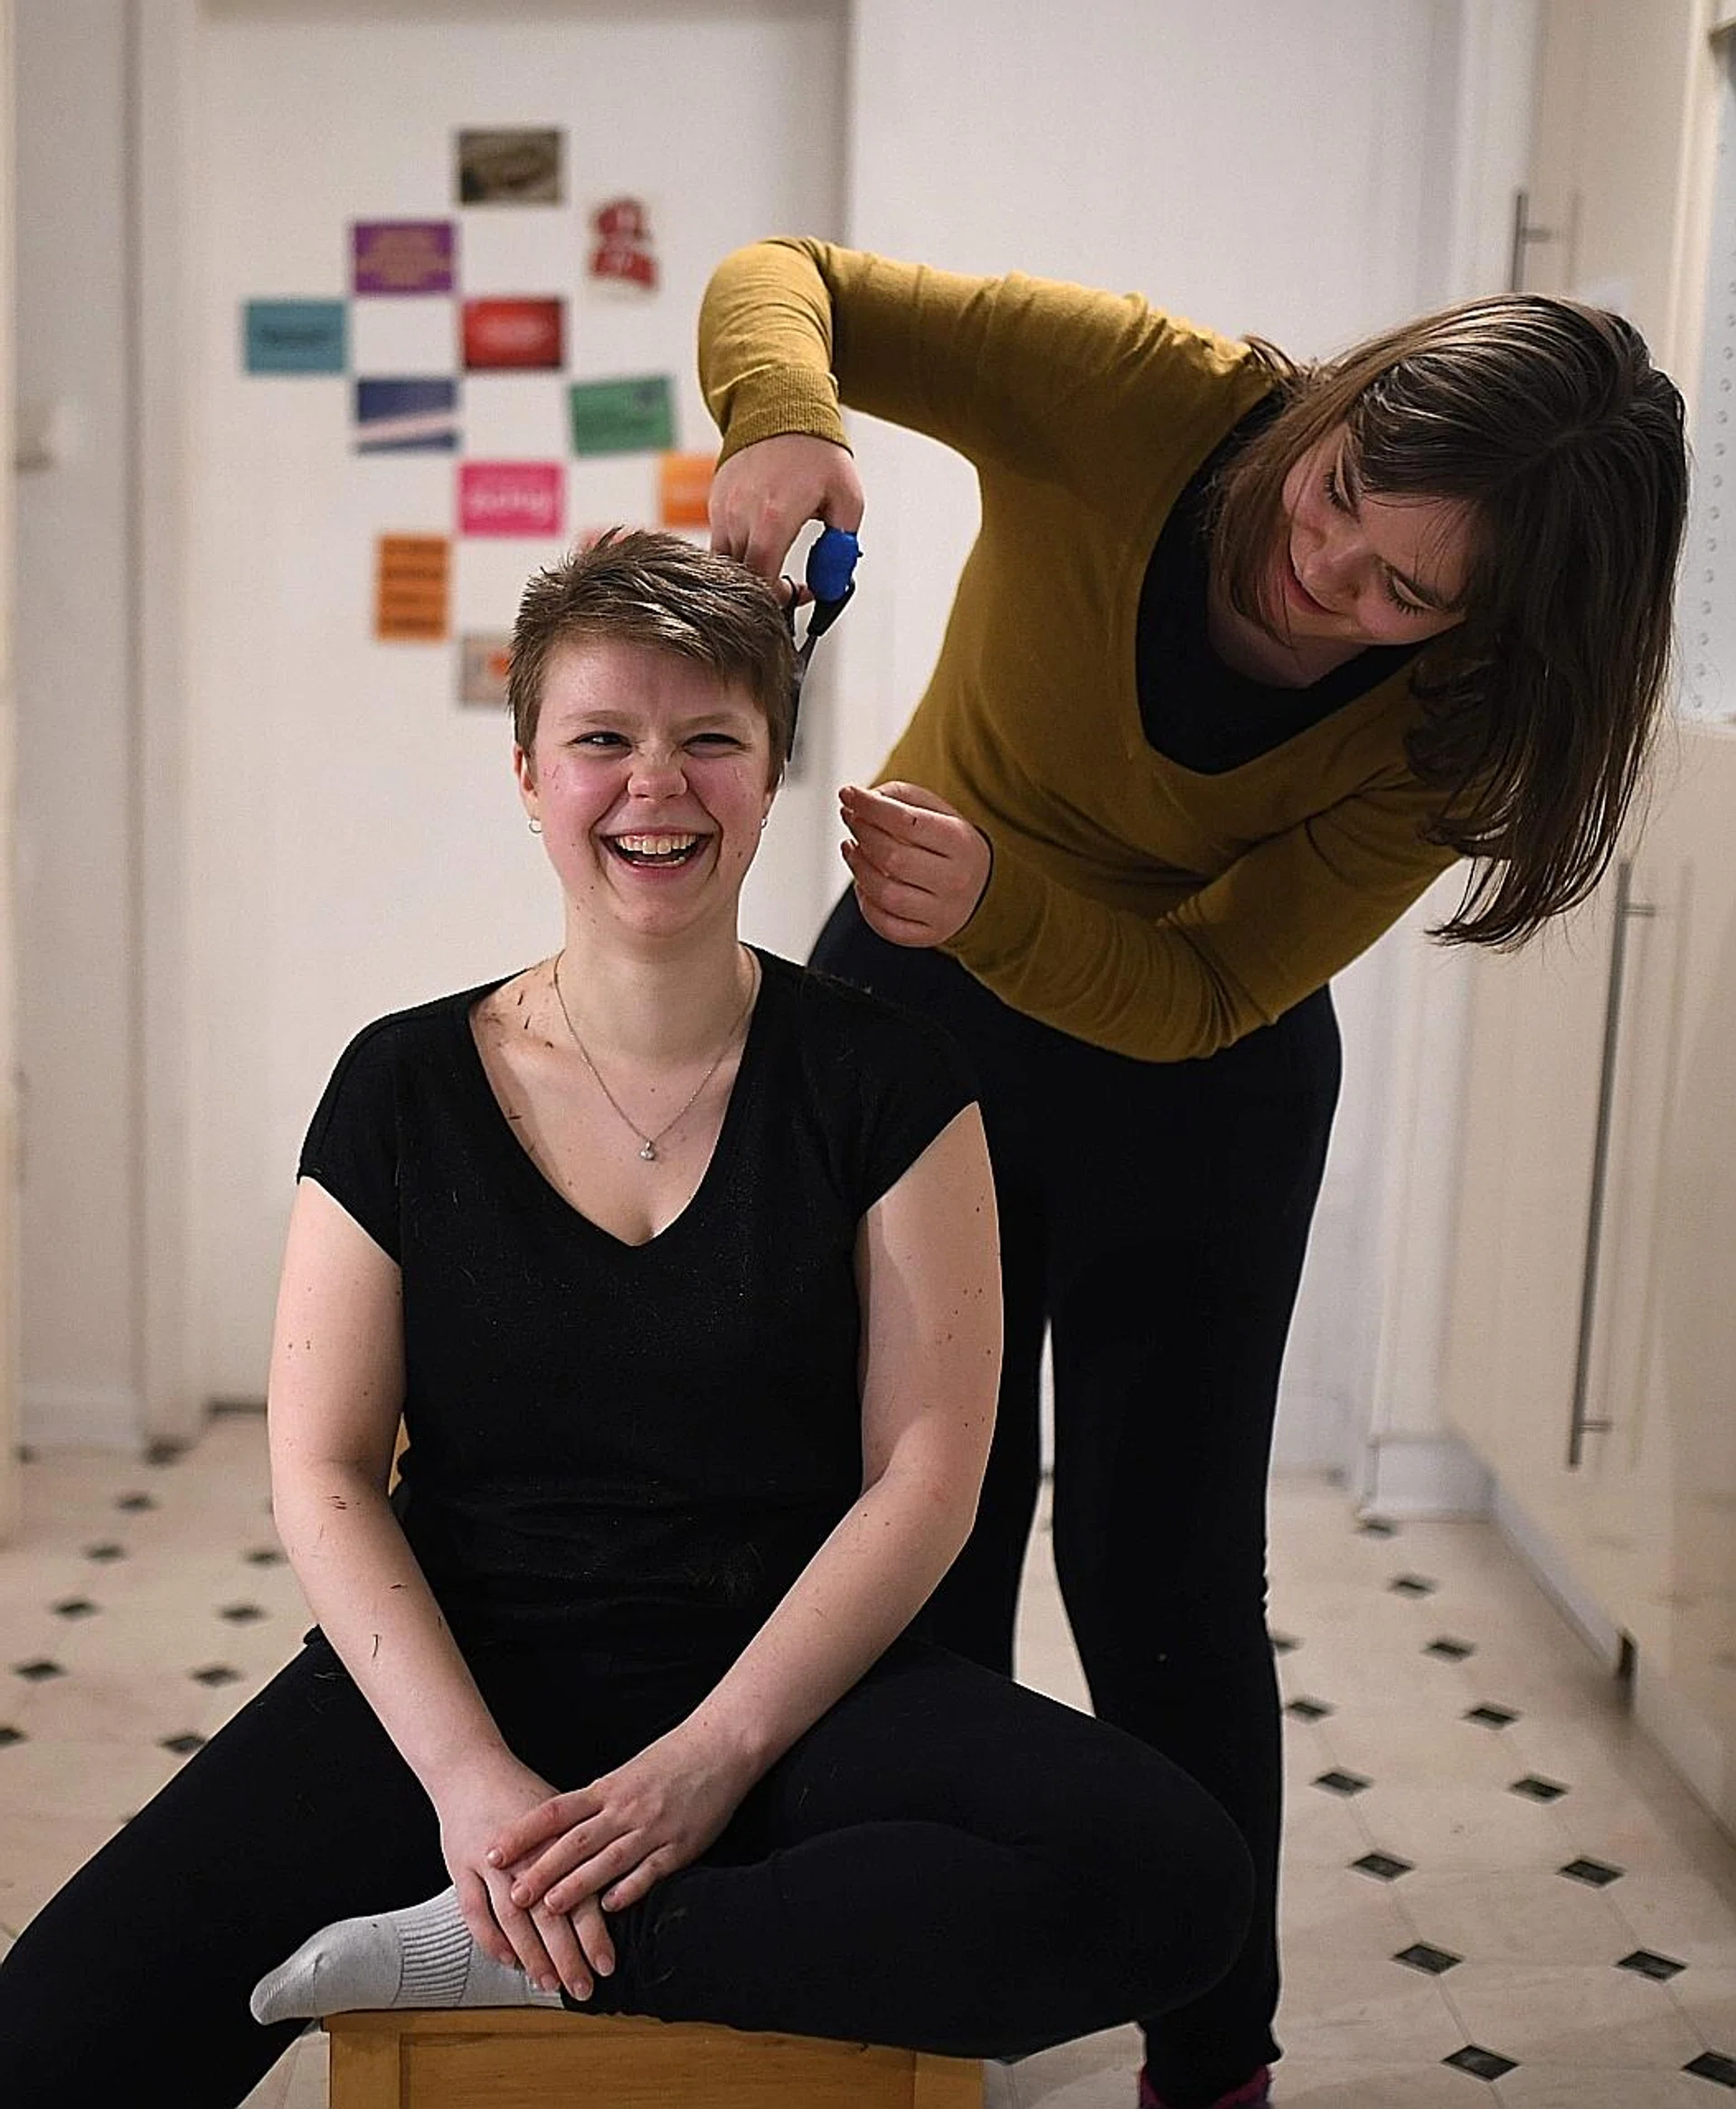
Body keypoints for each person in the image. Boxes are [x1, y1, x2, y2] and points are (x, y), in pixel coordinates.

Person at [0, 532, 1256, 2109]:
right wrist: (467, 1785)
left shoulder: (893, 1082)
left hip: (799, 1685)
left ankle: (552, 1951)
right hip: (467, 1668)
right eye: (602, 738)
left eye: (710, 740)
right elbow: (320, 1466)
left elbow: (931, 1470)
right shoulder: (400, 1082)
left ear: (772, 771)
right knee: (44, 2046)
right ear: (529, 772)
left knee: (1175, 1880)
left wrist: (709, 1761)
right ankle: (528, 1902)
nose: (655, 787)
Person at [699, 239, 1691, 2109]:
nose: (1335, 576)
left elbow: (1216, 981)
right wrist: (782, 419)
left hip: (1202, 1084)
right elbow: (791, 277)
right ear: (1339, 404)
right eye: (1339, 499)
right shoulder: (1139, 394)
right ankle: (909, 2021)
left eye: (1409, 591)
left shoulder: (1455, 718)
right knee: (919, 1539)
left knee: (1168, 1583)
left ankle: (1214, 2056)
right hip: (912, 1022)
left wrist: (1005, 907)